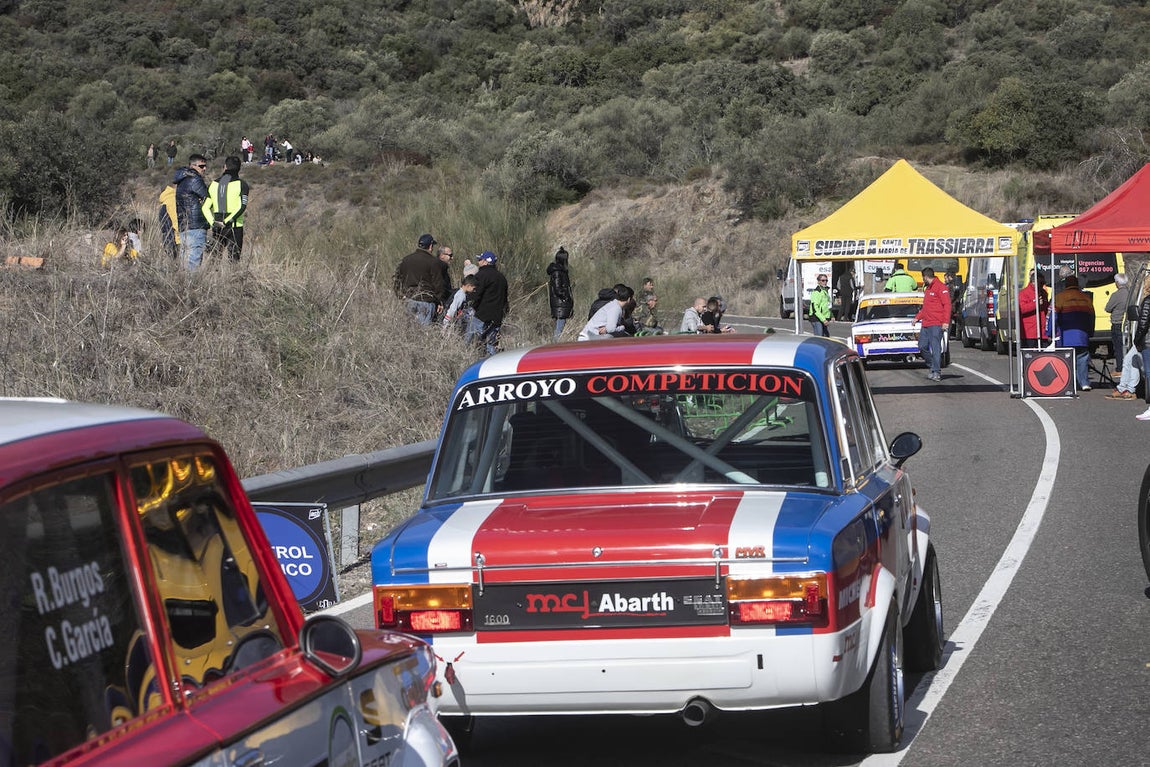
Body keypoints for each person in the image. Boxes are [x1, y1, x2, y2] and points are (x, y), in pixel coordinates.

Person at [205, 156, 250, 261]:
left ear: (224, 167)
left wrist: (213, 223)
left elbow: (205, 208)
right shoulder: (242, 185)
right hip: (235, 226)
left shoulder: (213, 184)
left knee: (214, 261)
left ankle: (213, 277)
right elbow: (242, 206)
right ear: (239, 168)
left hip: (217, 226)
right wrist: (227, 221)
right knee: (234, 261)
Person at [392, 233, 444, 325]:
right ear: (431, 246)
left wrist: (400, 296)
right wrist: (439, 301)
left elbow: (396, 280)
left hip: (409, 300)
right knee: (423, 334)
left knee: (410, 331)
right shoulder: (433, 262)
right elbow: (438, 284)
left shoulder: (406, 260)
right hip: (426, 302)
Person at [1054, 274, 1094, 392]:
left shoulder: (1060, 297)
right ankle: (1084, 383)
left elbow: (1054, 316)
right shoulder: (1085, 298)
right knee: (1082, 358)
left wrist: (1051, 332)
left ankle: (1068, 382)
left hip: (1066, 334)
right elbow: (1092, 316)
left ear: (1066, 284)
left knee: (1066, 359)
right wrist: (1090, 331)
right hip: (1082, 334)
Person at [173, 154, 213, 269]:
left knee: (184, 262)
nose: (204, 168)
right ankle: (191, 286)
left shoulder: (182, 180)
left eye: (205, 166)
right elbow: (207, 197)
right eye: (201, 166)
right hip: (195, 226)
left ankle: (183, 285)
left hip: (184, 227)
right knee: (193, 264)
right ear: (192, 165)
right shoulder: (195, 179)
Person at [466, 250, 509, 356]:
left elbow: (475, 294)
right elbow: (504, 299)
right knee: (491, 345)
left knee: (469, 342)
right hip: (497, 317)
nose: (479, 262)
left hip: (481, 316)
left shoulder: (481, 275)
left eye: (480, 260)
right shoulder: (502, 278)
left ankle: (467, 361)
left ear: (486, 261)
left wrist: (469, 304)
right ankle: (492, 367)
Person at [915, 266, 950, 382]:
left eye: (923, 277)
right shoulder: (928, 289)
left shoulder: (941, 287)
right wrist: (917, 318)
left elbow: (947, 305)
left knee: (935, 348)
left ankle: (936, 371)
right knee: (922, 346)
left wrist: (945, 321)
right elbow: (925, 308)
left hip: (936, 323)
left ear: (925, 277)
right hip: (926, 323)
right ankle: (932, 365)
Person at [1131, 274, 1150, 419]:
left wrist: (1136, 341)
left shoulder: (1148, 301)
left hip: (1148, 342)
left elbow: (1143, 324)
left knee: (1149, 374)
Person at [1104, 273, 1130, 374]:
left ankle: (1120, 368)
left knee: (1118, 348)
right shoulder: (1130, 294)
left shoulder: (1116, 295)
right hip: (1127, 324)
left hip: (1117, 323)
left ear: (1118, 283)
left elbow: (1108, 308)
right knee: (1127, 348)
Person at [547, 247, 574, 341]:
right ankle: (555, 346)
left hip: (560, 304)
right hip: (560, 304)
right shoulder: (558, 272)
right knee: (559, 328)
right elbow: (558, 289)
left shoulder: (560, 271)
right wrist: (566, 297)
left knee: (560, 326)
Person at [1018, 270, 1050, 348]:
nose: (1043, 285)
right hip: (1030, 333)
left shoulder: (1043, 293)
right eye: (1041, 283)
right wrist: (1036, 304)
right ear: (1033, 282)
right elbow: (1021, 309)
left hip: (1042, 332)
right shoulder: (1023, 293)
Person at [157, 181, 180, 259]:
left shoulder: (165, 201)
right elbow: (176, 221)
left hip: (169, 239)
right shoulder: (173, 199)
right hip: (177, 239)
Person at [436, 245, 455, 319]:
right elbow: (439, 286)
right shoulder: (439, 268)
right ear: (442, 256)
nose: (452, 258)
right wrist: (440, 302)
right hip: (440, 303)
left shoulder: (443, 268)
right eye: (450, 255)